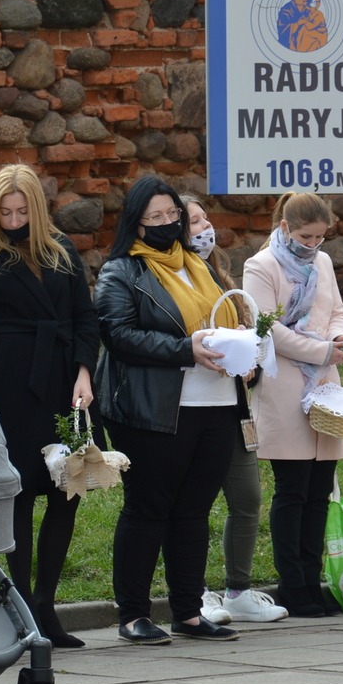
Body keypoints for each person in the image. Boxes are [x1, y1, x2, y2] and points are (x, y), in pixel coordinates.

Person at [94, 176, 249, 645]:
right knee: (148, 509)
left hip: (217, 404)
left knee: (194, 511)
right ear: (136, 224)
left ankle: (188, 611)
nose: (167, 224)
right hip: (156, 410)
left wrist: (245, 347)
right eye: (155, 217)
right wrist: (185, 349)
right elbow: (117, 335)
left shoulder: (198, 265)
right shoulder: (121, 271)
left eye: (172, 215)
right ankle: (134, 614)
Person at [0, 164, 100, 648]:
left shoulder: (62, 252)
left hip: (63, 379)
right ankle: (19, 610)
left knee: (65, 489)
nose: (14, 220)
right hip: (12, 384)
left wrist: (83, 371)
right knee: (19, 491)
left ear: (37, 209)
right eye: (6, 212)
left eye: (23, 211)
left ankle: (46, 605)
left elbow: (84, 317)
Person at [243, 193, 343, 618]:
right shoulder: (261, 266)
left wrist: (339, 339)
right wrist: (322, 351)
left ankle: (313, 578)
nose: (313, 245)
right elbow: (266, 329)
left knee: (320, 490)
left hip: (325, 381)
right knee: (293, 490)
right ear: (286, 227)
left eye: (321, 237)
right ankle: (291, 582)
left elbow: (337, 310)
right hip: (284, 382)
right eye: (306, 236)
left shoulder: (322, 262)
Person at [182, 196, 288, 625]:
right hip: (194, 408)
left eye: (205, 218)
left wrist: (250, 354)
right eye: (193, 222)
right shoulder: (171, 282)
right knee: (196, 504)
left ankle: (239, 590)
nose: (204, 228)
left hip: (235, 407)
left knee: (247, 498)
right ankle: (197, 593)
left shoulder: (221, 277)